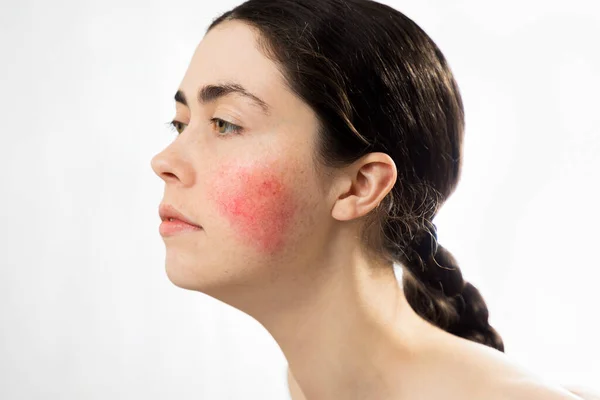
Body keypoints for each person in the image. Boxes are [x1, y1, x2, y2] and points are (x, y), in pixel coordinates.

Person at [151, 0, 598, 398]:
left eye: (225, 123)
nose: (163, 161)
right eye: (180, 123)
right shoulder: (311, 383)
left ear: (360, 184)